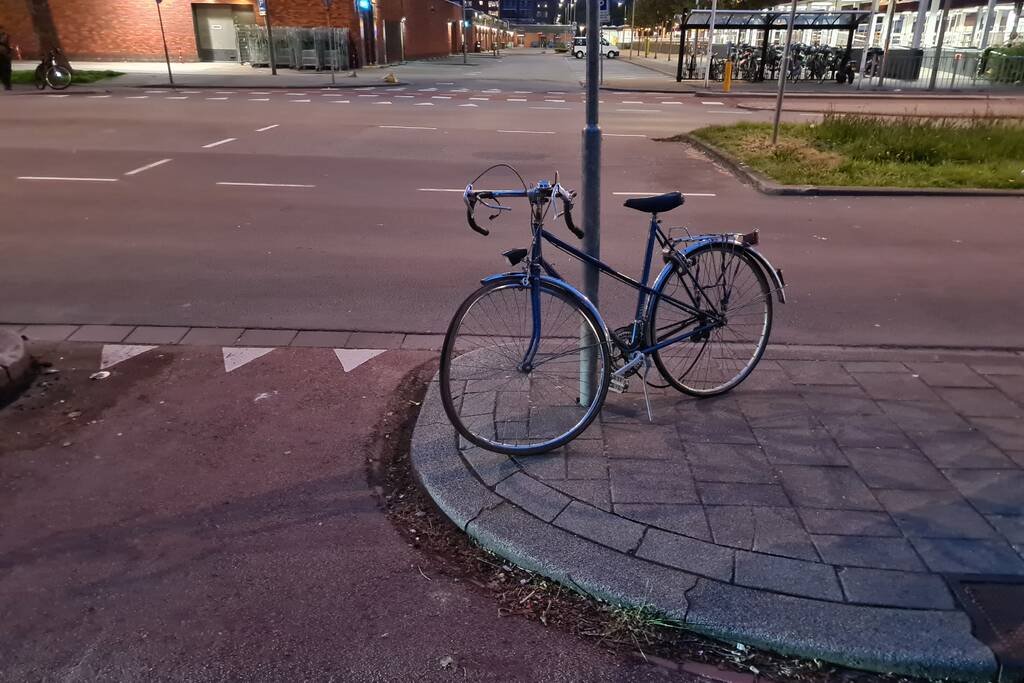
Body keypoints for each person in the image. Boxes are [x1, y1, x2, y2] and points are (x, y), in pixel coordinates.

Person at [0, 26, 13, 91]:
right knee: (5, 71)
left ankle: (7, 85)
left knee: (6, 71)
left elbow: (4, 41)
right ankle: (7, 85)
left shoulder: (4, 35)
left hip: (5, 56)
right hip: (4, 55)